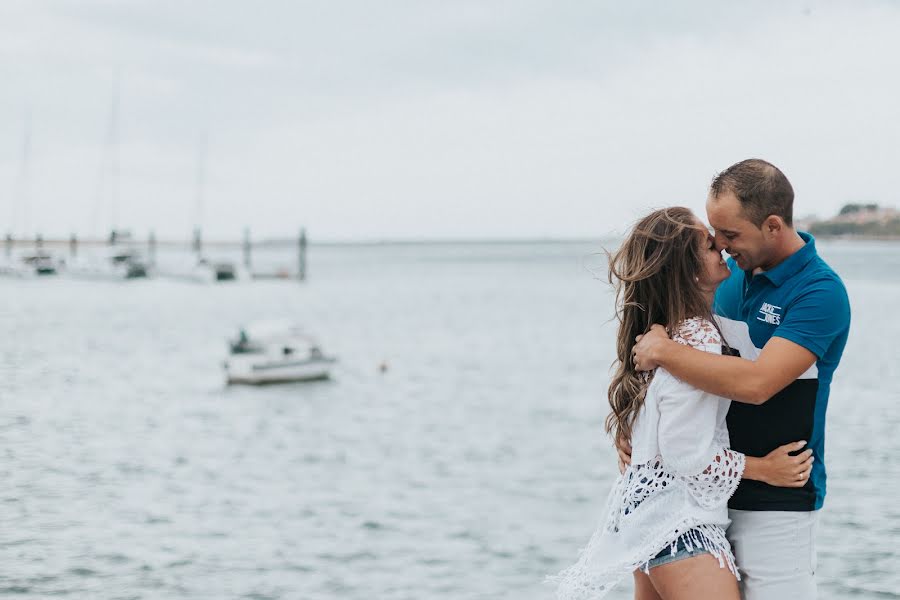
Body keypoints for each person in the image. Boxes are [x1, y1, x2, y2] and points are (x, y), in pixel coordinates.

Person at [552, 207, 812, 600]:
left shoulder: (667, 337)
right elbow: (684, 453)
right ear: (689, 272)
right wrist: (764, 469)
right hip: (681, 530)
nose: (721, 248)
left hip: (649, 524)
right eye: (710, 246)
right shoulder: (695, 342)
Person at [629, 159, 851, 600]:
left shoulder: (820, 291)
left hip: (778, 500)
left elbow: (757, 383)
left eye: (730, 236)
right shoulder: (726, 281)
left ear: (772, 225)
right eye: (715, 237)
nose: (723, 248)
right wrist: (638, 441)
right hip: (701, 499)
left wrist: (665, 351)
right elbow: (677, 387)